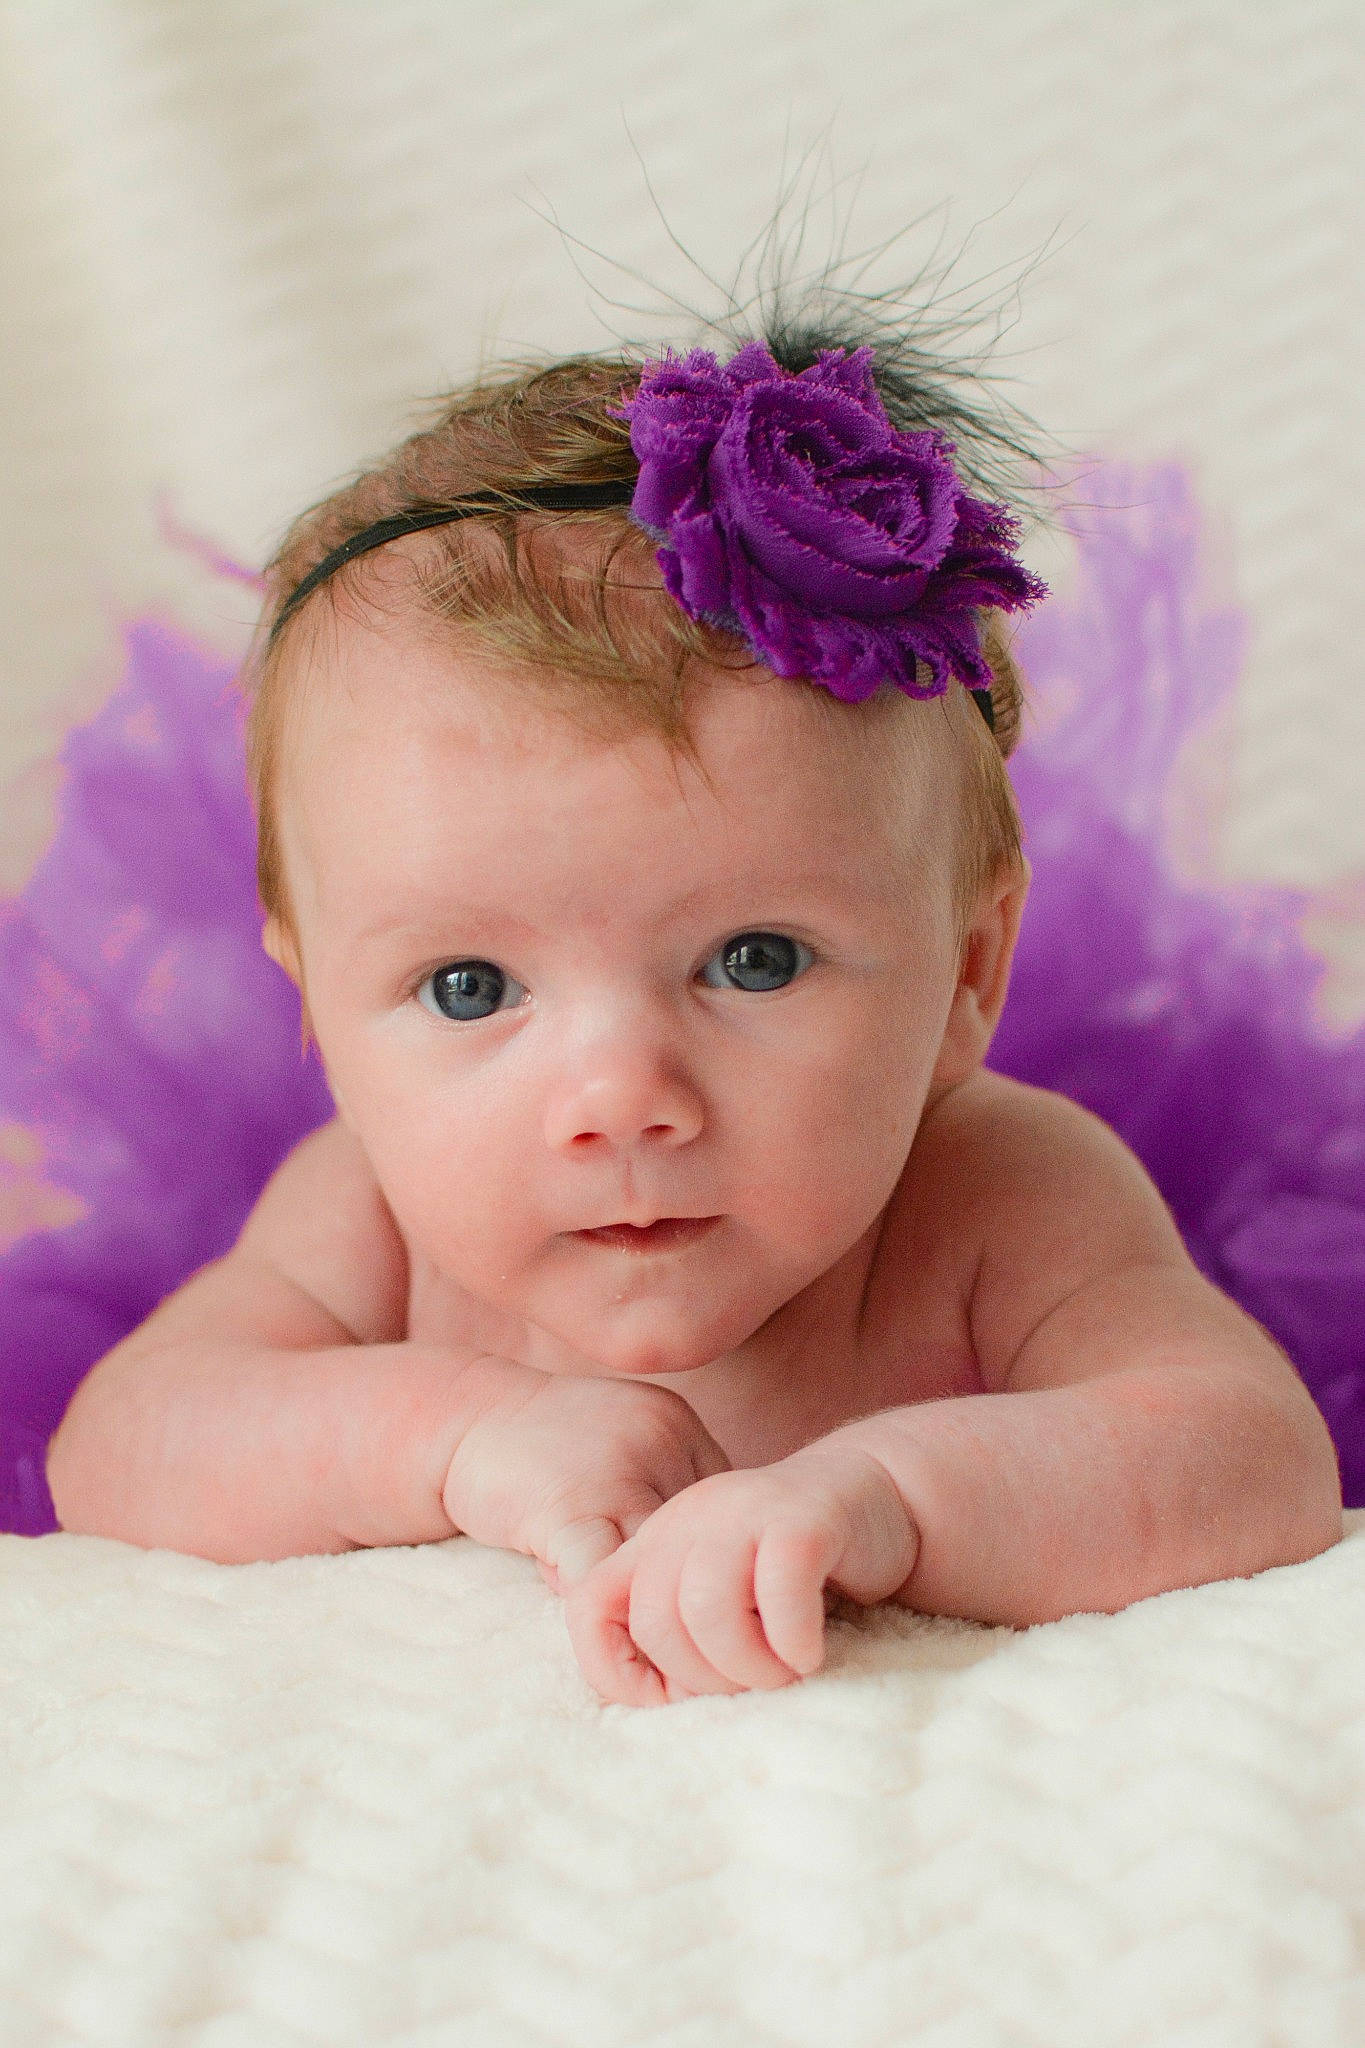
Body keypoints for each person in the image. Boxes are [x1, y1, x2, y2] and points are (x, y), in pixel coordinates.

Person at [44, 331, 1343, 1706]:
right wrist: (462, 1436)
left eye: (754, 960)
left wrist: (892, 1495)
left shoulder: (996, 1195)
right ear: (312, 1004)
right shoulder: (365, 1220)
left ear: (970, 969)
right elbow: (122, 1445)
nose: (620, 1097)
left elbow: (1248, 1454)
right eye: (469, 987)